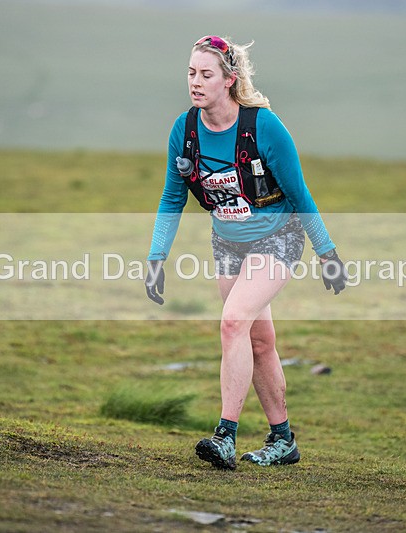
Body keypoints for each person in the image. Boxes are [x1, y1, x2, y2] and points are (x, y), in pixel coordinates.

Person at [145, 35, 347, 470]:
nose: (195, 82)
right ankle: (283, 440)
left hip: (279, 236)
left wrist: (327, 253)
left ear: (229, 80)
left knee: (233, 322)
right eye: (191, 73)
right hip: (227, 242)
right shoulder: (185, 131)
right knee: (258, 341)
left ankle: (225, 436)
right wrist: (157, 258)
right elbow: (172, 197)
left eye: (206, 74)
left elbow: (300, 193)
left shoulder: (264, 127)